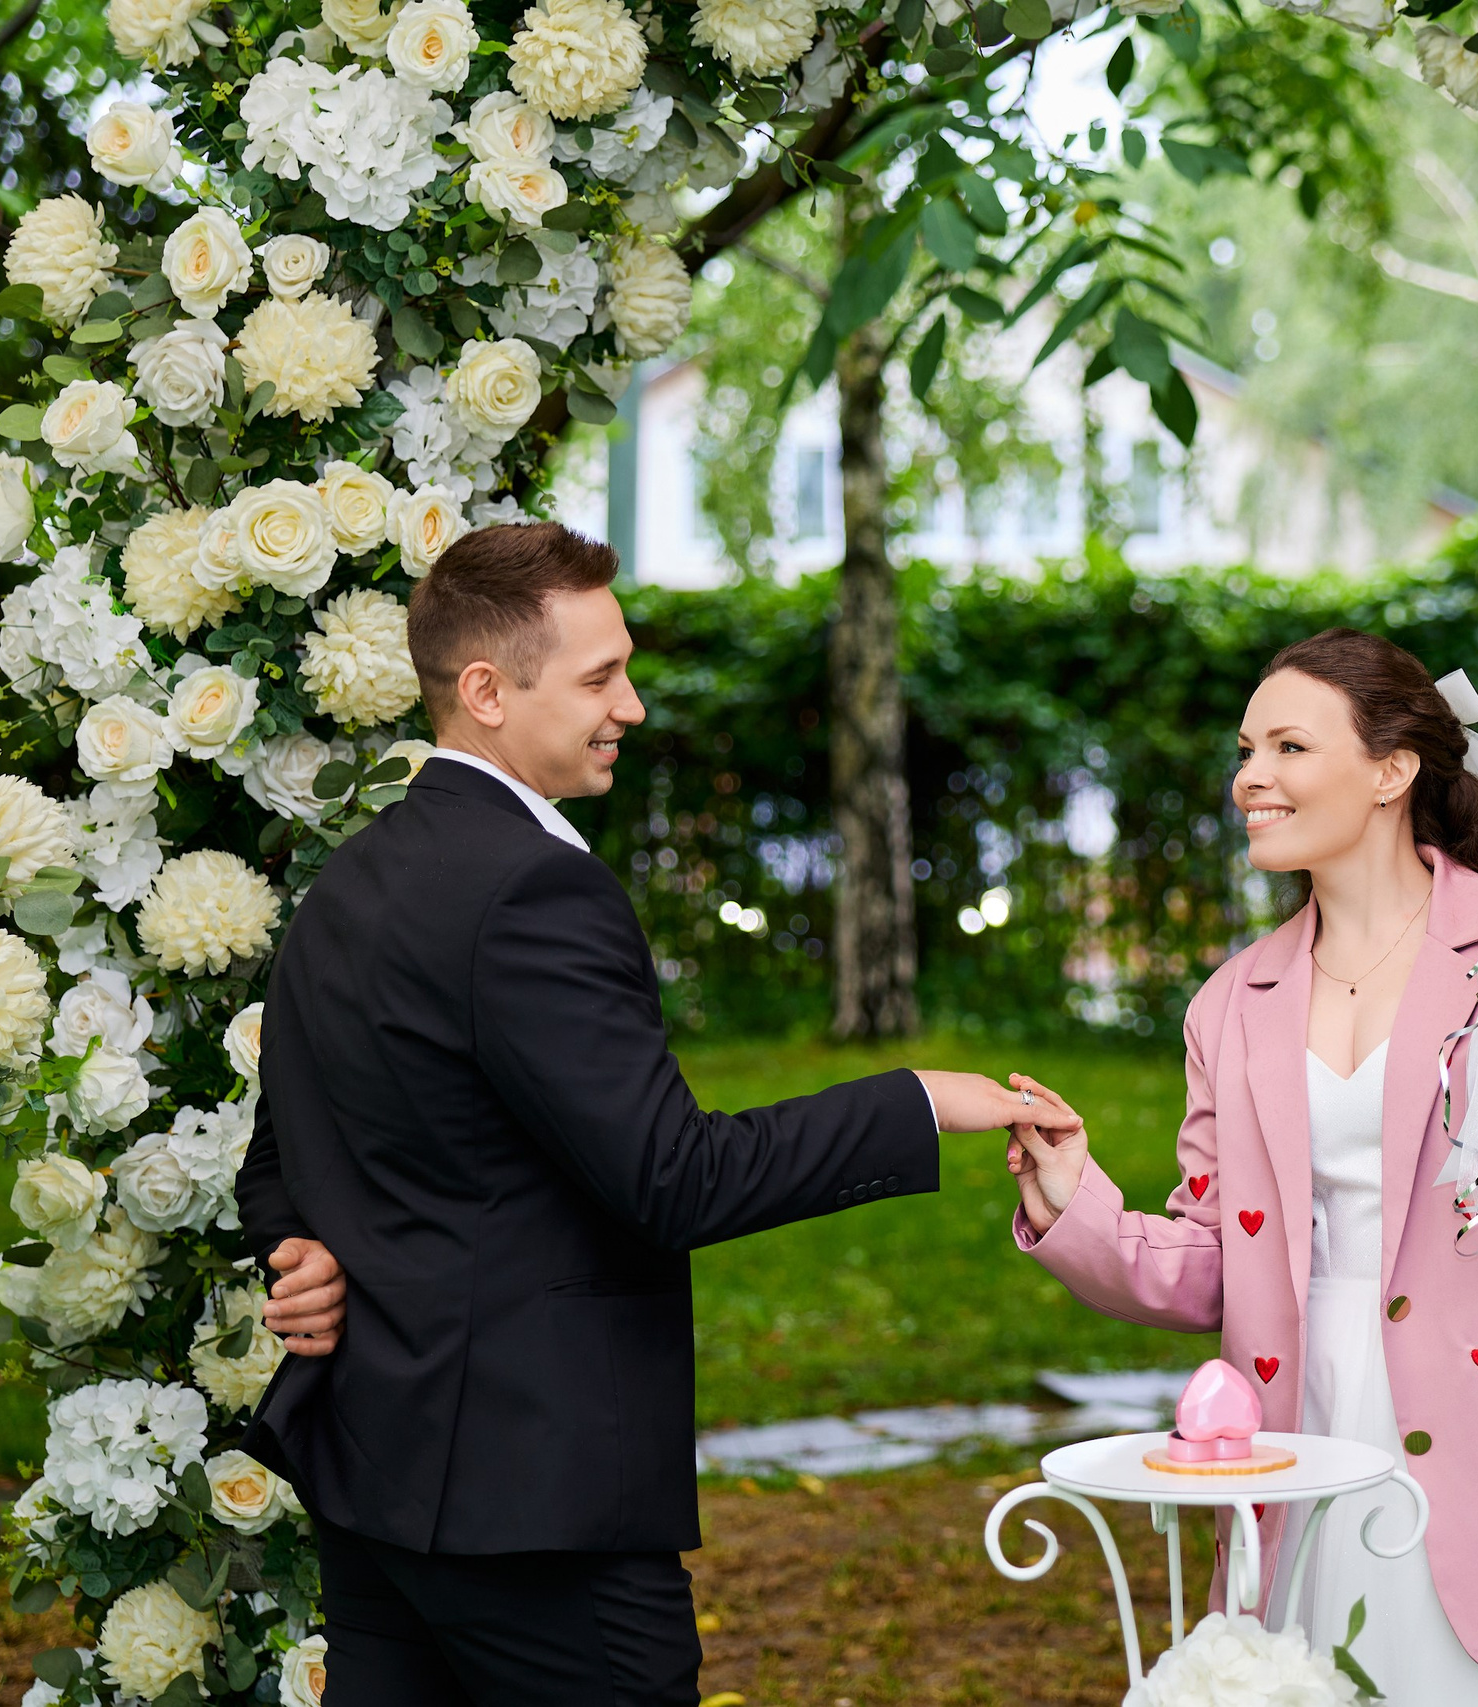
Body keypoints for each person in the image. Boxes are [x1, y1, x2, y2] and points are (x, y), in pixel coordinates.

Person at [234, 522, 1055, 1705]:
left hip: (380, 1484)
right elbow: (675, 1178)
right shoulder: (533, 888)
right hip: (535, 1503)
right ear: (485, 692)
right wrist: (915, 1103)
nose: (632, 704)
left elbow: (278, 1154)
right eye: (599, 676)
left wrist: (295, 1240)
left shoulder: (353, 877)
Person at [1005, 630, 1478, 1701]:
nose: (1251, 777)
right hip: (1308, 1450)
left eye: (1289, 746)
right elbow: (1215, 1265)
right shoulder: (1230, 1006)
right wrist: (1076, 1207)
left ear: (1392, 770)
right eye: (1247, 749)